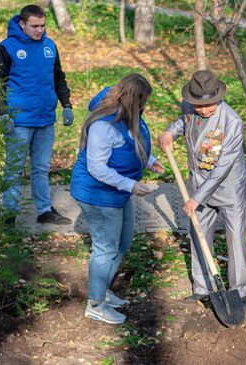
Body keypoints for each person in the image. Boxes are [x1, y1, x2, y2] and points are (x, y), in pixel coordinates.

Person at [71, 74, 164, 324]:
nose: (145, 107)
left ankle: (103, 291)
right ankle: (95, 304)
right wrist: (131, 185)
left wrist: (150, 160)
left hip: (119, 190)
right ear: (134, 100)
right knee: (105, 248)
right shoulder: (105, 125)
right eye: (143, 102)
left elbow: (134, 140)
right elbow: (97, 169)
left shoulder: (129, 114)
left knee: (122, 241)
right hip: (98, 193)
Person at [158, 70, 246, 309]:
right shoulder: (190, 107)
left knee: (235, 238)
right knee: (198, 233)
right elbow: (182, 123)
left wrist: (196, 198)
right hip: (198, 183)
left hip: (228, 187)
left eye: (209, 105)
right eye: (199, 105)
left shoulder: (232, 122)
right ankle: (202, 287)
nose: (204, 110)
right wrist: (170, 132)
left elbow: (222, 167)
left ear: (219, 97)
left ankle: (239, 292)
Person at [0, 4, 74, 225]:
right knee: (14, 169)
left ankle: (45, 210)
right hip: (18, 122)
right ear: (22, 24)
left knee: (40, 168)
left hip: (45, 119)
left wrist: (66, 104)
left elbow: (58, 77)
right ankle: (9, 214)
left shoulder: (50, 46)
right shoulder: (5, 48)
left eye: (43, 25)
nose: (39, 30)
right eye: (34, 26)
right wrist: (1, 113)